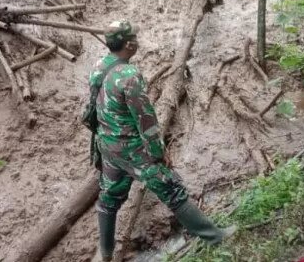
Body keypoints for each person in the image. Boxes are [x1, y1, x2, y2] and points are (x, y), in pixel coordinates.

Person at [86, 20, 233, 261]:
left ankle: (106, 253)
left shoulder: (99, 66)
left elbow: (93, 108)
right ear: (129, 43)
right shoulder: (130, 76)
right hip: (133, 150)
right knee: (172, 190)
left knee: (109, 199)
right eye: (134, 37)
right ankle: (214, 237)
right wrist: (158, 152)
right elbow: (145, 119)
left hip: (108, 148)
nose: (137, 40)